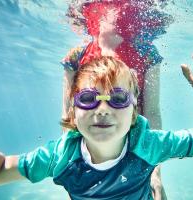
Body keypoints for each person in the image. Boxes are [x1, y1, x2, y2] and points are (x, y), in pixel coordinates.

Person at [0, 49, 193, 199]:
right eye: (89, 99)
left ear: (135, 108)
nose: (102, 109)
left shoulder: (146, 143)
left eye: (117, 99)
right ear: (73, 109)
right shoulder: (62, 155)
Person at [63, 1, 173, 198]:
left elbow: (152, 112)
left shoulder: (147, 54)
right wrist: (70, 163)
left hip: (136, 146)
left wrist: (156, 173)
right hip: (92, 148)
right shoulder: (77, 56)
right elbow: (68, 114)